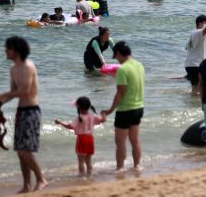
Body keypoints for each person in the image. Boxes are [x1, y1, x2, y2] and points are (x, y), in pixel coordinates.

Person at [0, 36, 48, 192]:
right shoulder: (13, 68)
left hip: (32, 112)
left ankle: (41, 179)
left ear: (15, 50)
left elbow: (25, 91)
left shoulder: (28, 66)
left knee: (25, 150)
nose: (5, 51)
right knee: (20, 151)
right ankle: (26, 185)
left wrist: (1, 95)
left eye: (7, 48)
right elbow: (13, 93)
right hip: (21, 111)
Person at [101, 41, 145, 171]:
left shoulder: (123, 69)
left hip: (125, 110)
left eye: (116, 57)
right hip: (139, 107)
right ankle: (137, 166)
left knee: (120, 142)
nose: (117, 60)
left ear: (119, 53)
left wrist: (109, 110)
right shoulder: (139, 65)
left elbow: (120, 94)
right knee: (135, 140)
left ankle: (120, 168)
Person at [54, 97, 107, 176]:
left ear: (78, 107)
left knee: (81, 161)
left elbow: (70, 126)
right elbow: (102, 120)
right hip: (90, 139)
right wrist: (103, 113)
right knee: (88, 161)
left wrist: (60, 123)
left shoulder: (79, 118)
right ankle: (89, 175)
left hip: (82, 139)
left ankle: (81, 176)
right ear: (89, 106)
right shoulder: (93, 116)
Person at [185, 14, 206, 95]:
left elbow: (187, 48)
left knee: (195, 88)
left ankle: (192, 104)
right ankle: (197, 105)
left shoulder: (193, 34)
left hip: (190, 65)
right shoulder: (198, 33)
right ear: (200, 23)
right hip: (196, 65)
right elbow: (205, 30)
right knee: (200, 88)